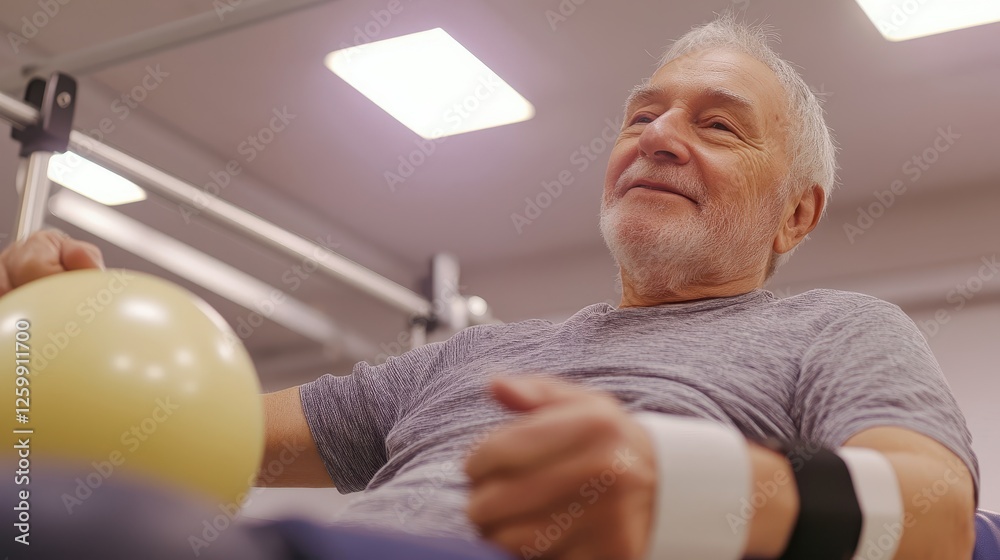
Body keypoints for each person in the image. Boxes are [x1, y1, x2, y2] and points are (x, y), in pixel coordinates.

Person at [1, 15, 978, 560]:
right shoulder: (472, 355)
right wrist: (53, 341)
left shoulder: (833, 327)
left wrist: (692, 487)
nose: (656, 137)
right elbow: (191, 429)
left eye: (716, 125)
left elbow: (938, 512)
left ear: (796, 215)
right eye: (641, 116)